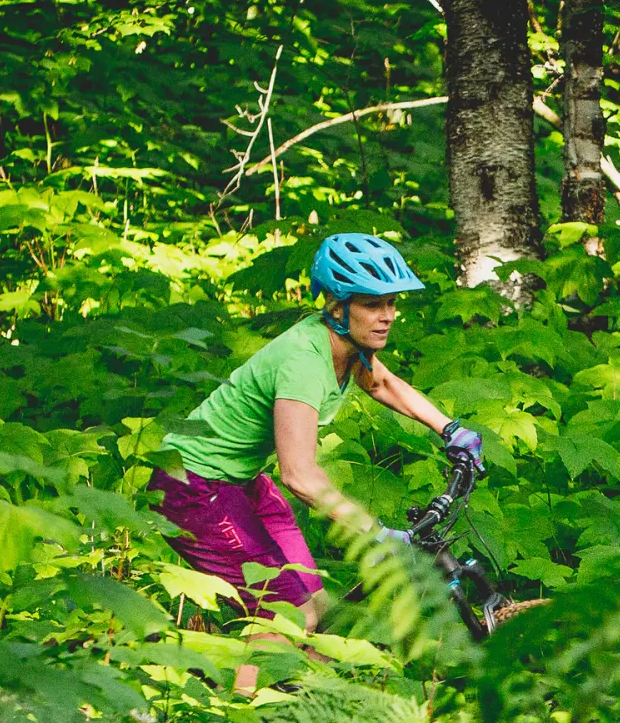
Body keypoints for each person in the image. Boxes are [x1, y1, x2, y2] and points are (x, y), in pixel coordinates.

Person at [153, 232, 482, 626]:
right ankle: (242, 690)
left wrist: (451, 430)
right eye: (372, 304)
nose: (388, 315)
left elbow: (381, 383)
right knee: (290, 616)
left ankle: (305, 688)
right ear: (337, 306)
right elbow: (299, 474)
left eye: (392, 303)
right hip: (191, 486)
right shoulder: (304, 363)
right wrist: (369, 530)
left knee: (322, 615)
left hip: (242, 483)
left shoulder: (345, 347)